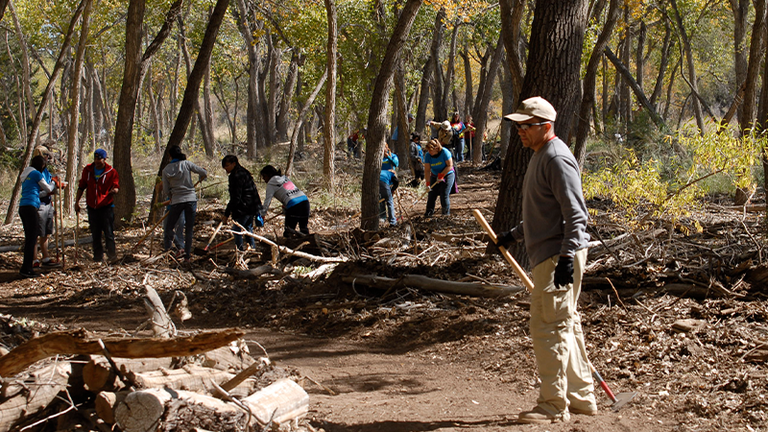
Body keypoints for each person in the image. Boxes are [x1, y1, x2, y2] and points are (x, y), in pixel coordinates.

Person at [496, 96, 595, 424]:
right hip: (551, 254)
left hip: (558, 256)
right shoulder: (540, 155)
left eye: (527, 126)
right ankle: (581, 399)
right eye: (518, 126)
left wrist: (567, 258)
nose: (520, 131)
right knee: (566, 324)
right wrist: (513, 235)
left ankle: (553, 406)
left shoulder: (556, 158)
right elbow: (545, 212)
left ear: (546, 126)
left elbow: (576, 214)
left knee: (548, 326)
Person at [162, 146, 207, 261]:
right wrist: (202, 175)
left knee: (168, 228)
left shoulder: (166, 170)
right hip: (191, 200)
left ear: (170, 156)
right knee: (189, 229)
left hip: (177, 201)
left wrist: (172, 197)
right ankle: (187, 256)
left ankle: (179, 246)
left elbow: (166, 190)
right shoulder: (187, 164)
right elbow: (203, 172)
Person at [75, 149, 120, 263]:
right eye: (95, 159)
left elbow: (116, 186)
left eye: (99, 159)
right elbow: (81, 186)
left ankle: (112, 255)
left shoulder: (111, 172)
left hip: (106, 206)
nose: (97, 161)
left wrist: (114, 190)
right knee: (95, 233)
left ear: (104, 159)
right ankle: (98, 257)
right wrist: (77, 202)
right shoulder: (88, 170)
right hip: (92, 207)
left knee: (108, 232)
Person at [18, 155, 55, 278]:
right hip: (30, 207)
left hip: (23, 206)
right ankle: (27, 268)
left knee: (30, 237)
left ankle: (27, 267)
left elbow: (37, 191)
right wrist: (54, 182)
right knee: (32, 238)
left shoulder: (26, 174)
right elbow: (48, 188)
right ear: (42, 166)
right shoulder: (36, 174)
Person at [222, 155, 263, 250]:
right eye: (224, 166)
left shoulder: (236, 176)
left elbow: (235, 197)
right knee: (248, 229)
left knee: (236, 230)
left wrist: (227, 214)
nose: (225, 168)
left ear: (234, 164)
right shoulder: (244, 172)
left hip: (244, 207)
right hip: (251, 206)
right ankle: (252, 249)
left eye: (227, 165)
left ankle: (240, 251)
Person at [33, 146, 65, 268]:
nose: (47, 157)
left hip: (47, 204)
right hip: (38, 204)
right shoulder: (34, 171)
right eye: (45, 154)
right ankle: (34, 259)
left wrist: (58, 185)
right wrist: (50, 188)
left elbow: (51, 183)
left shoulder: (45, 171)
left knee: (45, 233)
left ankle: (45, 257)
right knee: (36, 233)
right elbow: (40, 189)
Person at [260, 165, 310, 238]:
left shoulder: (271, 184)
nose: (264, 179)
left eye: (264, 176)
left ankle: (288, 248)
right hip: (305, 202)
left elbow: (267, 201)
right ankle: (308, 246)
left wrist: (262, 214)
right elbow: (290, 192)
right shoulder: (284, 178)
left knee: (288, 232)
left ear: (268, 175)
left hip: (294, 205)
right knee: (304, 229)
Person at [422, 139, 455, 217]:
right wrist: (427, 183)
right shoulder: (428, 155)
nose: (429, 152)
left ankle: (445, 214)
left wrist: (441, 175)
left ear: (436, 148)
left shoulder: (445, 152)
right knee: (431, 194)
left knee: (444, 194)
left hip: (448, 174)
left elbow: (450, 165)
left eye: (431, 150)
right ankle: (428, 214)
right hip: (434, 174)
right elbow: (427, 170)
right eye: (428, 150)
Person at [379, 143, 399, 226]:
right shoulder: (379, 158)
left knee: (389, 200)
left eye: (385, 148)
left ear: (387, 148)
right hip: (381, 179)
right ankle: (383, 217)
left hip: (391, 179)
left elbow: (396, 164)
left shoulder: (393, 156)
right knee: (381, 200)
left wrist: (388, 157)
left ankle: (392, 220)